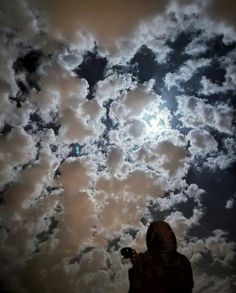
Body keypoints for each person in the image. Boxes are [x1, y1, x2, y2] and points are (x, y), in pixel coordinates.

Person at [128, 221, 194, 292]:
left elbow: (138, 286)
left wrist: (137, 265)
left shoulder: (144, 262)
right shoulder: (183, 260)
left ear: (152, 238)